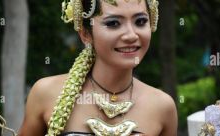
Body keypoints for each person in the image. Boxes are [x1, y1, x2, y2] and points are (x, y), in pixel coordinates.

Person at [18, 0, 178, 135]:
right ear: (85, 34)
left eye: (140, 22)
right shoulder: (46, 93)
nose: (131, 35)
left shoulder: (162, 107)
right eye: (113, 23)